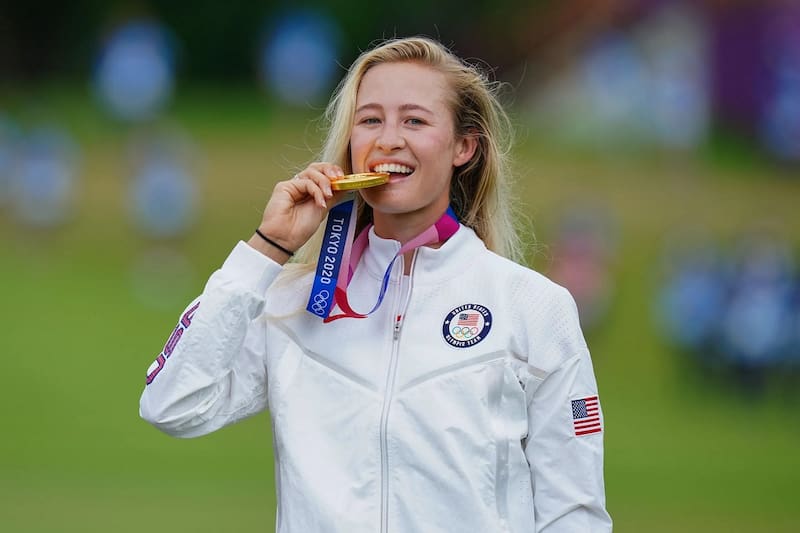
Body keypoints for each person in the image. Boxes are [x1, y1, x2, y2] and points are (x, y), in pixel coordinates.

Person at [139, 36, 612, 533]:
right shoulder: (291, 301)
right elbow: (172, 403)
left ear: (463, 147)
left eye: (415, 120)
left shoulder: (533, 306)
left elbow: (574, 513)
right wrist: (267, 248)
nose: (388, 139)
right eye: (370, 120)